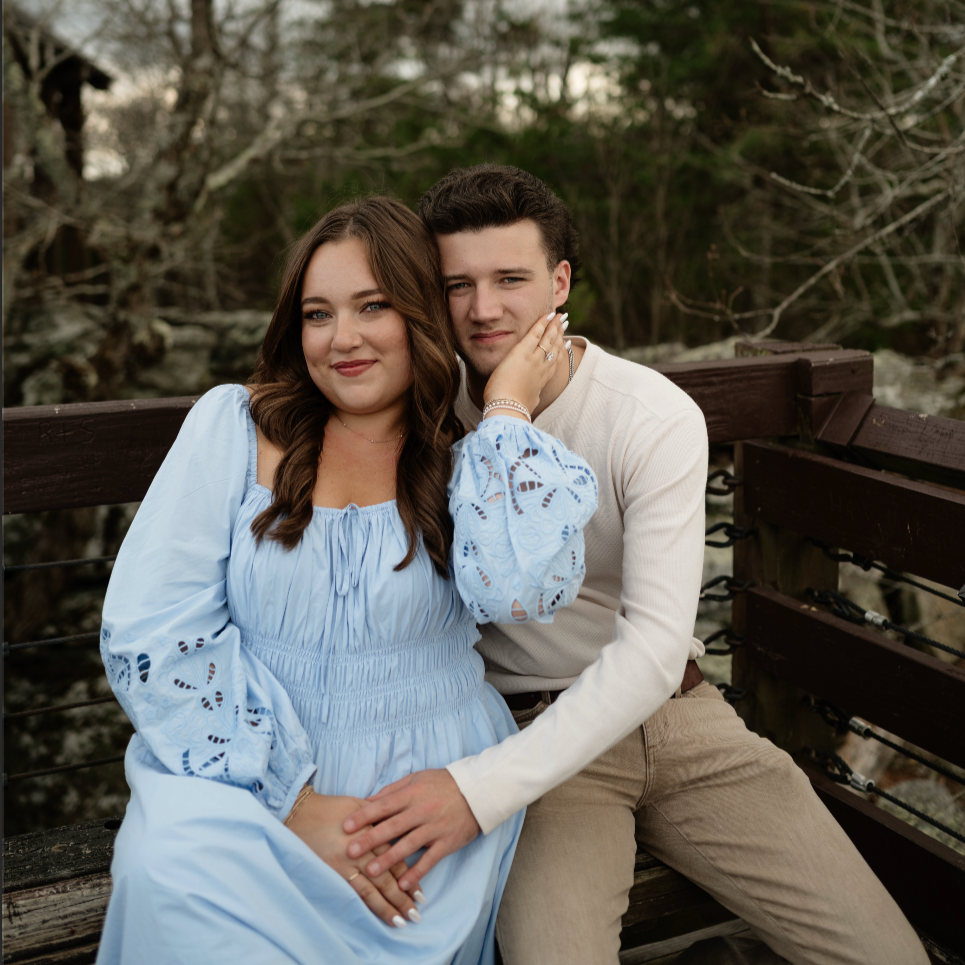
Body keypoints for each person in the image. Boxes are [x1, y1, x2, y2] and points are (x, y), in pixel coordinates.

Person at [341, 167, 930, 965]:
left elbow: (655, 648)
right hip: (535, 743)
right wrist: (502, 407)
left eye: (510, 279)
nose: (483, 309)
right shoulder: (418, 415)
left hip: (682, 721)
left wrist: (472, 793)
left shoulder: (648, 413)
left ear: (559, 281)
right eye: (458, 285)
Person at [95, 194, 598, 965]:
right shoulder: (234, 427)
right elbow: (148, 629)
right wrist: (294, 800)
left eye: (373, 306)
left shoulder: (471, 463)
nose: (344, 339)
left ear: (420, 315)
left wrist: (504, 408)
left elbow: (522, 592)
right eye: (318, 313)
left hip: (423, 791)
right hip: (238, 772)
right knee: (174, 887)